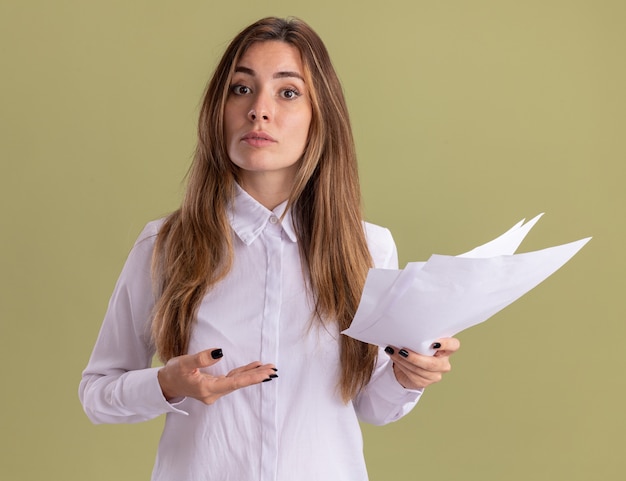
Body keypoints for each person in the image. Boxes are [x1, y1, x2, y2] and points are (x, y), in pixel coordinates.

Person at [79, 16, 460, 481]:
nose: (259, 110)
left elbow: (370, 407)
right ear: (218, 108)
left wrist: (407, 376)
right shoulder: (165, 245)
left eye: (288, 92)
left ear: (320, 115)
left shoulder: (367, 247)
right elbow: (97, 394)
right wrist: (166, 384)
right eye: (242, 89)